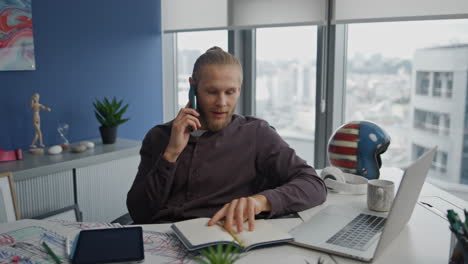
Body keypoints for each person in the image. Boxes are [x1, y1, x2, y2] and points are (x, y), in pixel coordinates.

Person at [127, 47, 327, 232]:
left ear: (239, 89)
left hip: (221, 239)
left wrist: (261, 201)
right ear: (193, 88)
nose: (221, 103)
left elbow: (313, 184)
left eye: (230, 92)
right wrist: (171, 153)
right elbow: (139, 213)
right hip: (163, 237)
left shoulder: (256, 133)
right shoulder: (159, 136)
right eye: (212, 92)